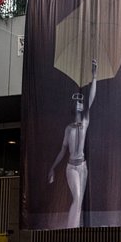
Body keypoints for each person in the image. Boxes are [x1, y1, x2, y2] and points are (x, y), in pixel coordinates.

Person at [48, 58, 98, 228]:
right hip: (72, 168)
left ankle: (74, 227)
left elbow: (91, 99)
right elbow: (63, 150)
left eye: (80, 101)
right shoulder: (68, 129)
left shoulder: (84, 122)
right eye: (76, 101)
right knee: (77, 198)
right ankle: (71, 227)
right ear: (73, 105)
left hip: (83, 166)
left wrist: (94, 75)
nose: (79, 103)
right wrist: (53, 168)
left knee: (80, 200)